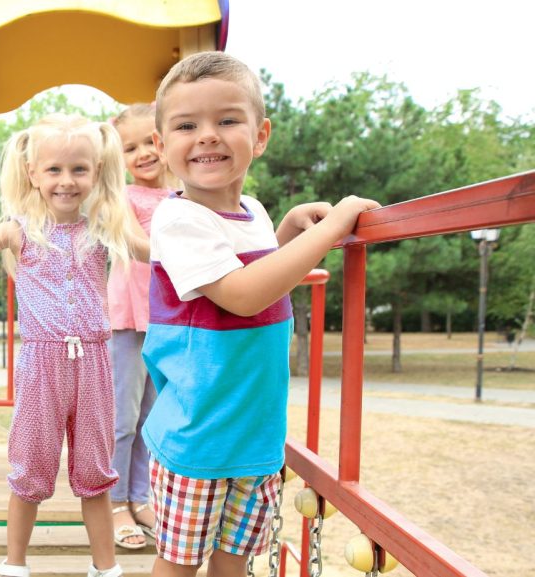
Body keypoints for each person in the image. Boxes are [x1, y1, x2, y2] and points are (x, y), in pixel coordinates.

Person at [141, 51, 380, 577]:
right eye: (187, 125)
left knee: (235, 561)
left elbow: (257, 272)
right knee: (179, 565)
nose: (207, 135)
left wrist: (290, 229)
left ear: (261, 134)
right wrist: (331, 227)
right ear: (162, 146)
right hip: (198, 434)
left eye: (227, 120)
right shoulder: (178, 218)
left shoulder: (251, 212)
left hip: (255, 433)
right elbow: (243, 295)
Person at [0, 114, 148, 577]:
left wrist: (212, 246)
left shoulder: (103, 225)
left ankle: (106, 568)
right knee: (30, 466)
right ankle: (14, 563)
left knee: (96, 470)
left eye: (79, 169)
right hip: (41, 363)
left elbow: (149, 250)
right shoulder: (20, 229)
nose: (66, 181)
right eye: (53, 170)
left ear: (96, 171)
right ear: (32, 172)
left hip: (94, 360)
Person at [105, 103, 173, 550]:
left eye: (151, 141)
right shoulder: (122, 198)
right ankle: (113, 503)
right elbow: (132, 241)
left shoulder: (183, 197)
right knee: (122, 417)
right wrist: (183, 250)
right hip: (128, 317)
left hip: (166, 317)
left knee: (153, 415)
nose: (144, 153)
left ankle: (140, 495)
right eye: (131, 147)